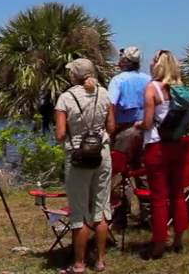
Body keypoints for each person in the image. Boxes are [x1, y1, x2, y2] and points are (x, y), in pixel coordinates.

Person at [54, 58, 115, 274]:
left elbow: (61, 134)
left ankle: (79, 263)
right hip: (102, 153)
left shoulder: (65, 98)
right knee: (101, 208)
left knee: (79, 212)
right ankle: (100, 260)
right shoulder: (104, 93)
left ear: (75, 75)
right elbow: (111, 126)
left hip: (78, 156)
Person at [137, 50, 189, 259]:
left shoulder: (153, 88)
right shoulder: (181, 89)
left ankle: (159, 242)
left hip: (156, 146)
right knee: (177, 193)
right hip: (177, 145)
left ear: (159, 65)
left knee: (158, 197)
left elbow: (148, 123)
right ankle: (178, 239)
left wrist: (139, 124)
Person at [107, 47, 150, 152]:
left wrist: (111, 129)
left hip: (124, 130)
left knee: (121, 162)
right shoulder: (148, 79)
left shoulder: (118, 80)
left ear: (125, 61)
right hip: (145, 130)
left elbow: (110, 105)